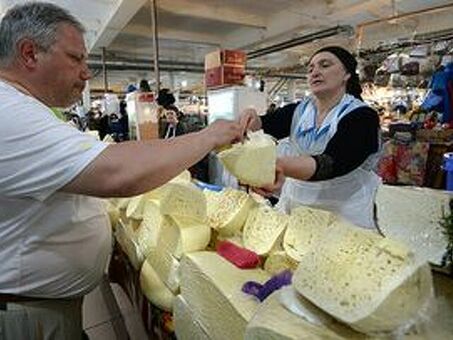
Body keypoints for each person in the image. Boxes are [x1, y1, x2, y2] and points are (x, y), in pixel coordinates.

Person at [0, 3, 242, 339]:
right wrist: (209, 135)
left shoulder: (27, 108)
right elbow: (117, 173)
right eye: (76, 58)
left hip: (41, 303)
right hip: (26, 314)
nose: (86, 72)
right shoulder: (8, 112)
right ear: (29, 54)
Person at [240, 46, 381, 229]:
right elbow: (267, 124)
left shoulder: (362, 116)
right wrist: (253, 120)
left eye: (325, 65)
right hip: (296, 208)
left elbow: (332, 163)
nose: (315, 72)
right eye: (311, 68)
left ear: (347, 74)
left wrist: (278, 165)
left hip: (343, 214)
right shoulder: (300, 111)